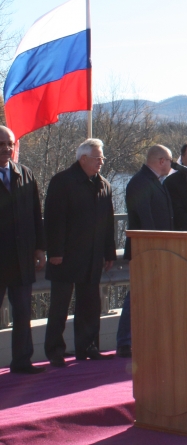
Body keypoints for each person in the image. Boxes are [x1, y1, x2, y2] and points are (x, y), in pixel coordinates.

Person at [44, 139, 117, 367]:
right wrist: (55, 251)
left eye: (102, 158)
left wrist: (109, 253)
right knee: (60, 307)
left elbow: (108, 223)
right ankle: (55, 351)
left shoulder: (103, 185)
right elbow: (54, 220)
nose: (101, 162)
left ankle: (88, 347)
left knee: (90, 304)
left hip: (93, 255)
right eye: (97, 158)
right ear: (83, 158)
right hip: (65, 257)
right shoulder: (62, 181)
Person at [118, 145, 174, 358]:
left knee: (150, 296)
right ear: (161, 161)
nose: (170, 165)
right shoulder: (140, 182)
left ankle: (148, 338)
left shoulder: (155, 182)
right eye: (169, 161)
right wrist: (155, 246)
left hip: (157, 249)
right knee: (137, 296)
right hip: (146, 250)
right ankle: (124, 341)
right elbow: (145, 219)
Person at [0, 126, 46, 374]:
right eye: (1, 144)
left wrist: (40, 248)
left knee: (22, 313)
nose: (6, 149)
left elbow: (36, 215)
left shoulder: (25, 174)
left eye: (10, 143)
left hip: (21, 258)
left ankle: (21, 361)